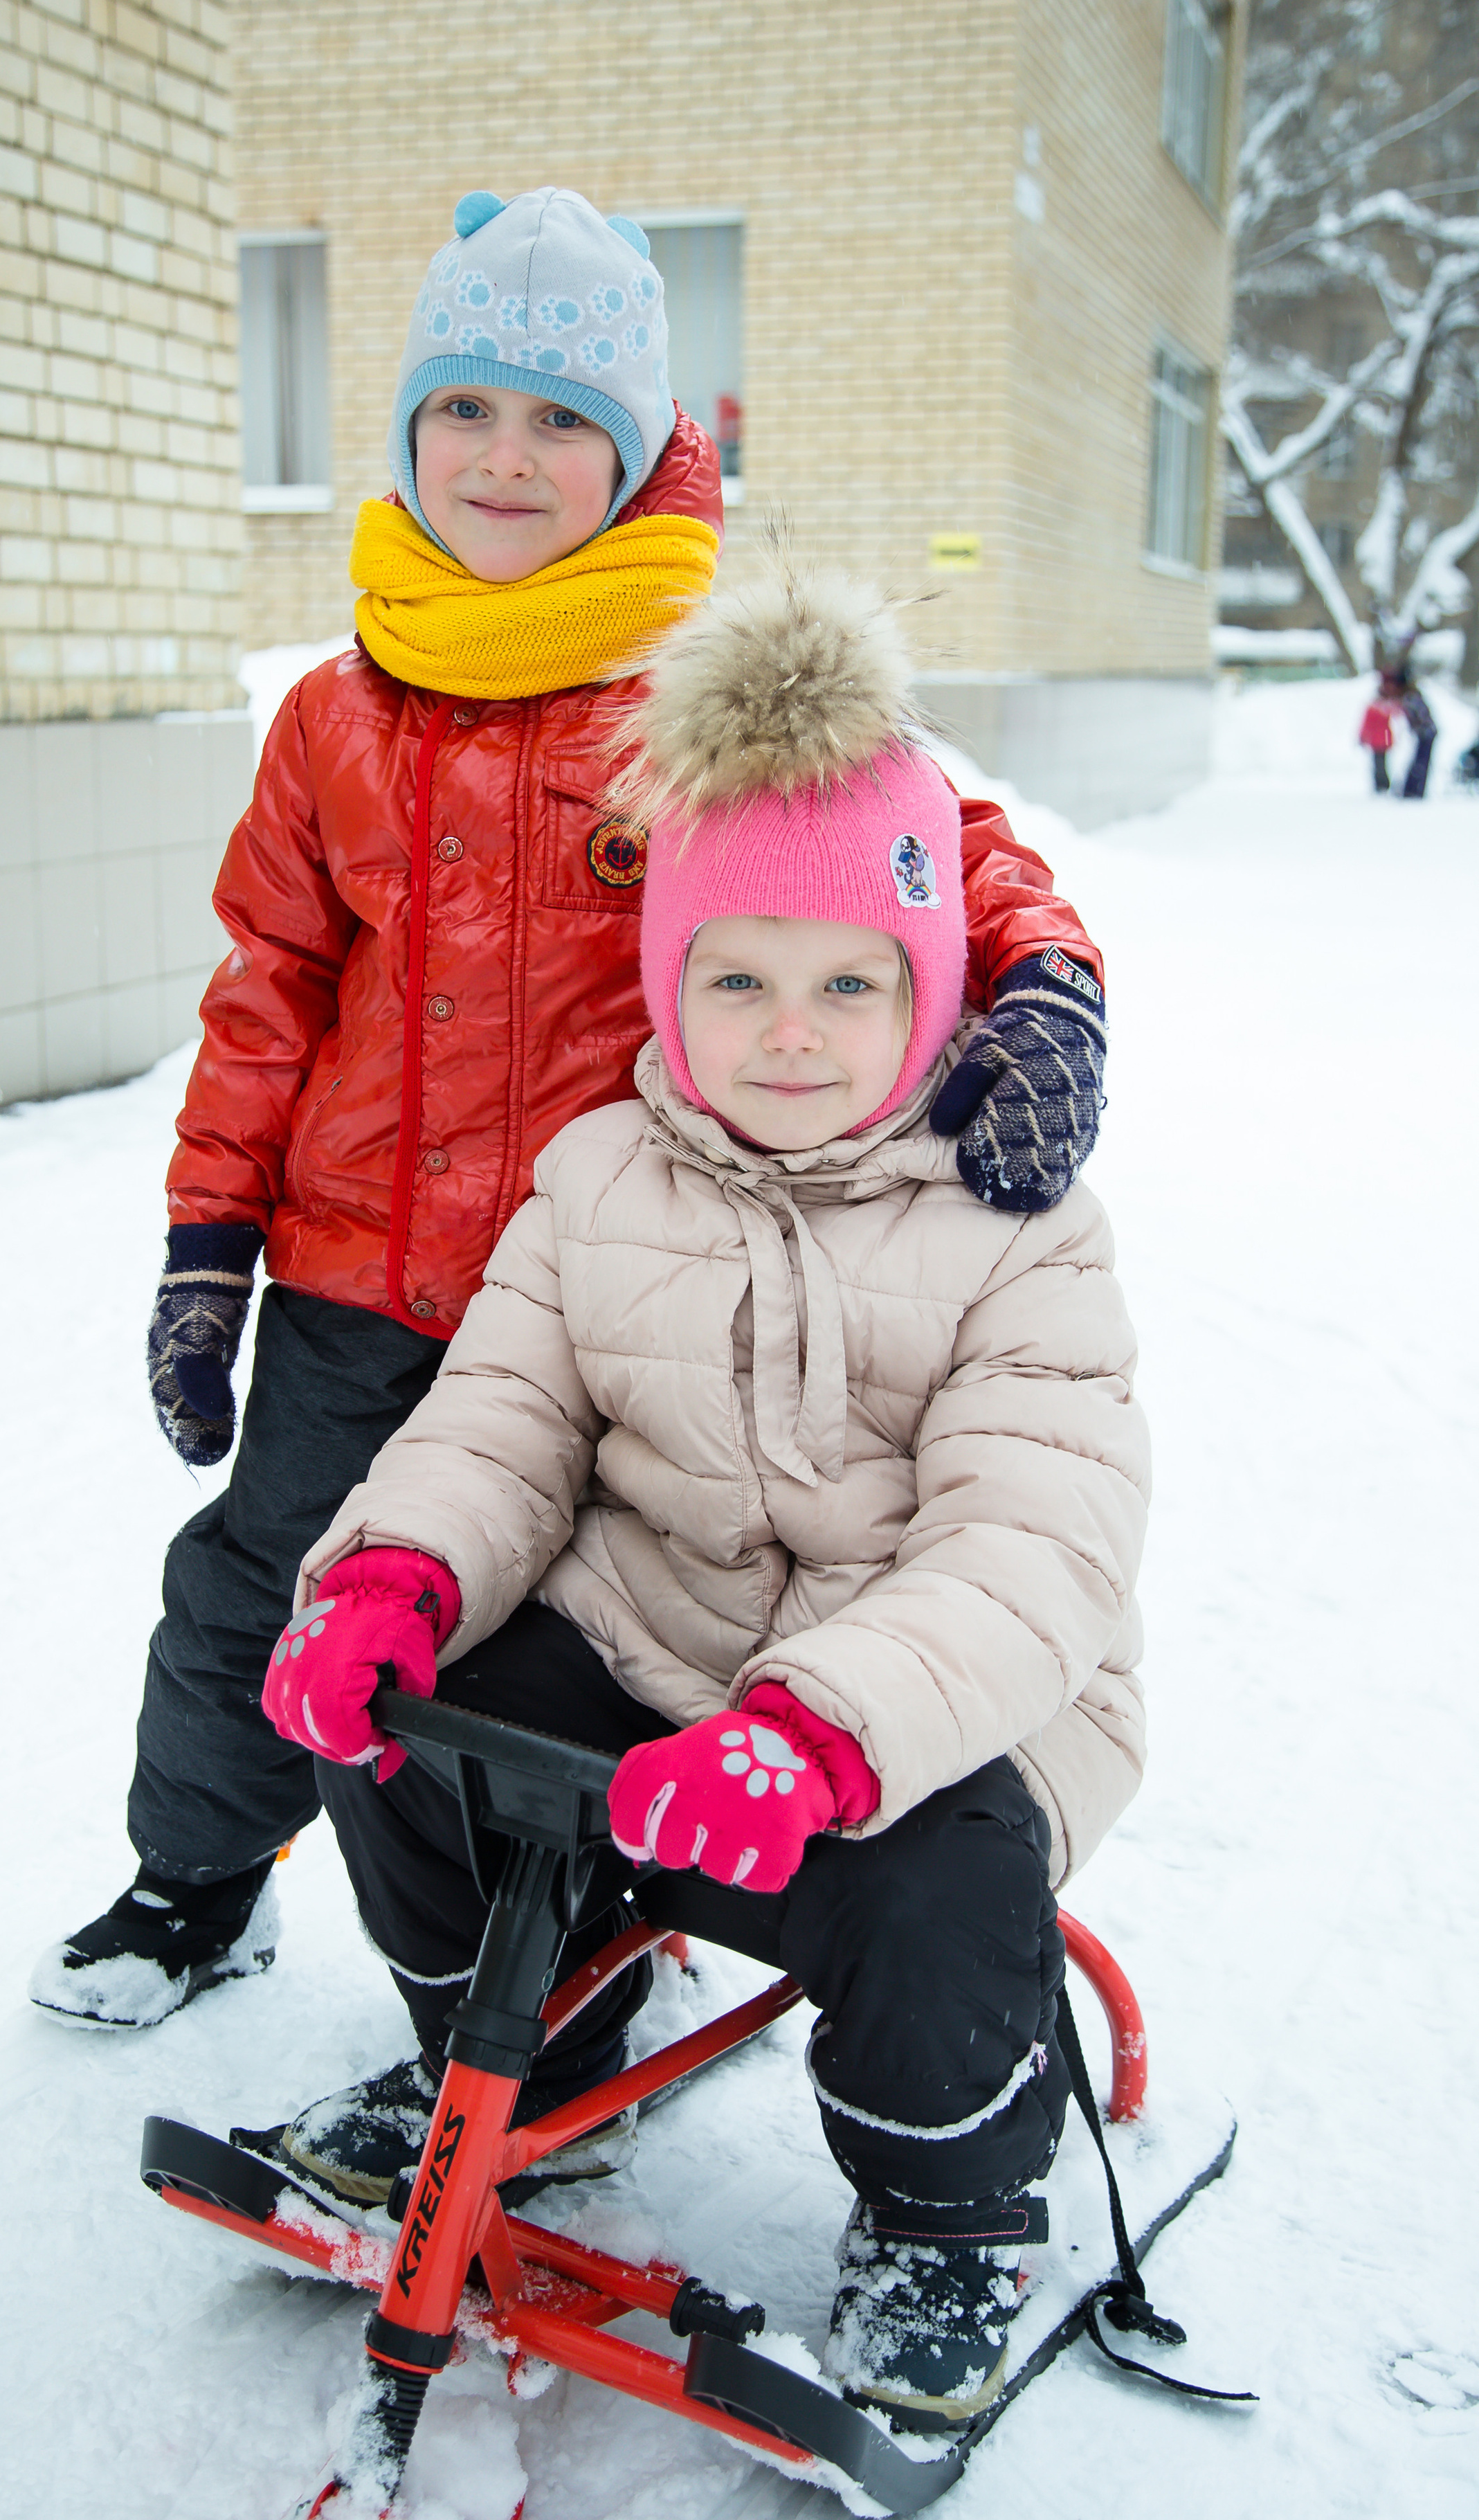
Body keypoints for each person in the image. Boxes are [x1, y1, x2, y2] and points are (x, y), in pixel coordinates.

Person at [30, 189, 1115, 2033]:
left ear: (633, 453)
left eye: (561, 421)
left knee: (585, 1638)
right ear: (408, 432)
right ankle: (197, 1880)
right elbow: (268, 993)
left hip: (616, 1279)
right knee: (269, 1587)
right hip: (364, 1274)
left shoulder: (695, 687)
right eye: (468, 409)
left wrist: (1049, 986)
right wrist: (209, 1244)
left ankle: (597, 1934)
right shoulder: (332, 714)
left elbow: (948, 845)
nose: (508, 459)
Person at [248, 548, 1146, 2426]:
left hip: (921, 1706)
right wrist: (396, 1576)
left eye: (847, 981)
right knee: (397, 1715)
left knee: (939, 1886)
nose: (790, 1031)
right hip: (647, 1648)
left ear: (931, 988)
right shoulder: (599, 1181)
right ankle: (524, 2043)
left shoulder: (1016, 1226)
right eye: (735, 979)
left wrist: (819, 1733)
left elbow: (1032, 1546)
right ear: (670, 982)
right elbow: (499, 1422)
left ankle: (951, 2212)